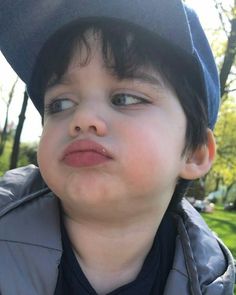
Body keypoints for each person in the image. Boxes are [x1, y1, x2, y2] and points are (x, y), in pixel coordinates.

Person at [0, 1, 235, 294]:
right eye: (60, 104)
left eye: (125, 98)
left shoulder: (208, 282)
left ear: (195, 151)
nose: (82, 118)